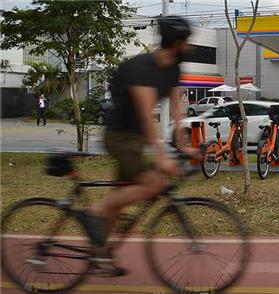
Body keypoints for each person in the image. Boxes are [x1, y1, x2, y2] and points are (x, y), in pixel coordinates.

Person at [76, 15, 196, 275]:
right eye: (187, 42)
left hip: (136, 141)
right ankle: (94, 211)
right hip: (119, 137)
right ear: (175, 42)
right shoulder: (143, 68)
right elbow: (146, 114)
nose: (190, 47)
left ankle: (99, 254)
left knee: (120, 202)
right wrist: (162, 156)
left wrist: (184, 144)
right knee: (153, 183)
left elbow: (176, 106)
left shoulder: (174, 68)